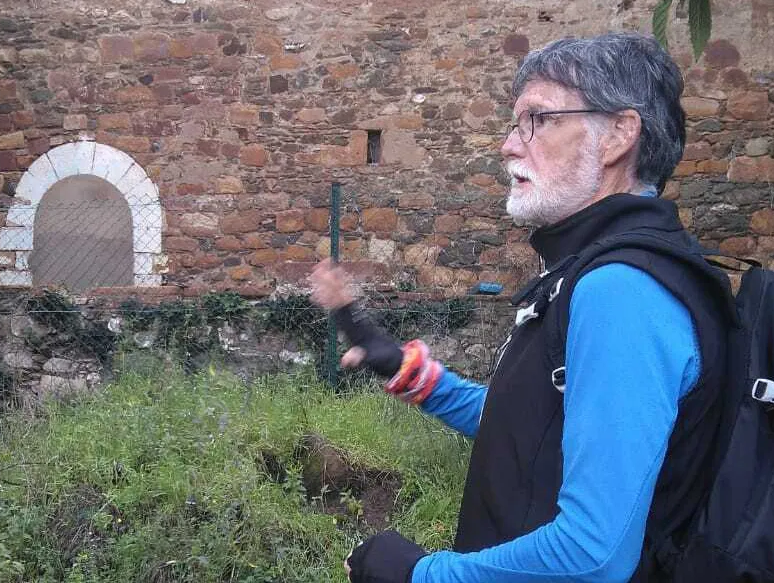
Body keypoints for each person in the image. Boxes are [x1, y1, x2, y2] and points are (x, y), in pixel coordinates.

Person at [309, 32, 735, 583]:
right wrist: (405, 370)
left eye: (538, 119)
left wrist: (421, 575)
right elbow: (533, 428)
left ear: (619, 136)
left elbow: (595, 557)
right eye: (515, 123)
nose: (511, 145)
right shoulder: (590, 272)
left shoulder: (621, 290)